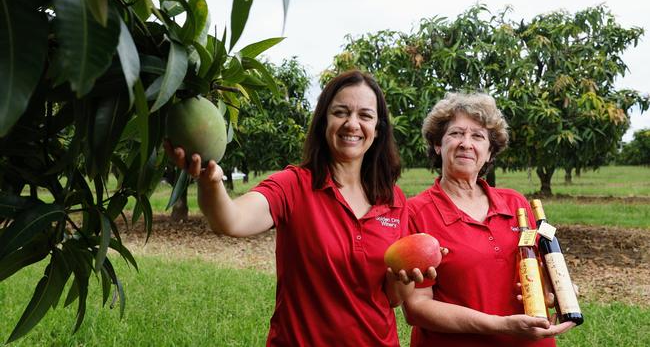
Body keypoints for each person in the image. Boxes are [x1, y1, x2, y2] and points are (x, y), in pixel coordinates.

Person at [164, 70, 430, 346]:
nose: (352, 124)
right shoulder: (293, 186)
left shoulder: (393, 200)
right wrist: (211, 181)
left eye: (365, 115)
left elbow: (392, 298)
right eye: (341, 112)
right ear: (323, 121)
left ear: (378, 129)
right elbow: (231, 220)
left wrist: (405, 276)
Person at [402, 92, 575, 346]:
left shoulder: (516, 203)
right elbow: (417, 307)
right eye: (456, 133)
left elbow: (542, 267)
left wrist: (556, 291)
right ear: (438, 144)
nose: (466, 143)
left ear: (489, 151)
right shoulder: (416, 213)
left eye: (478, 136)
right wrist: (502, 325)